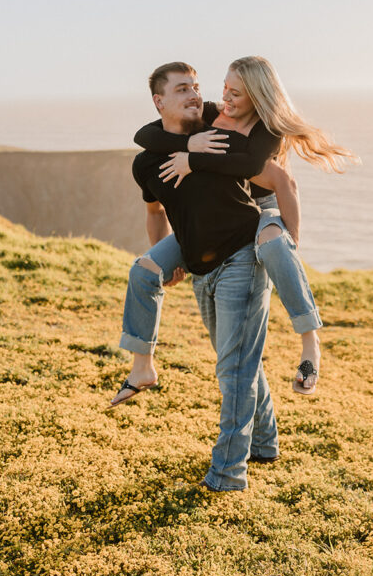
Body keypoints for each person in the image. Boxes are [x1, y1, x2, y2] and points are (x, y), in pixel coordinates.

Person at [112, 56, 355, 406]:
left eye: (235, 93)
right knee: (145, 271)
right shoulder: (211, 117)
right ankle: (142, 366)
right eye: (224, 87)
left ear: (256, 96)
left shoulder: (265, 131)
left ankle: (309, 343)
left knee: (272, 249)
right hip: (215, 222)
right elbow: (145, 135)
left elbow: (274, 177)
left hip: (262, 209)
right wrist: (188, 145)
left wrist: (290, 244)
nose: (223, 97)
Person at [125, 61, 280, 490]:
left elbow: (266, 169)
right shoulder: (146, 163)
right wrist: (165, 259)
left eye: (196, 86)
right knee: (238, 359)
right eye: (182, 89)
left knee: (234, 369)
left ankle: (228, 473)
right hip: (200, 265)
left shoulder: (218, 133)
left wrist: (196, 149)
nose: (196, 94)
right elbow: (156, 211)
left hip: (244, 255)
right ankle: (264, 442)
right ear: (159, 101)